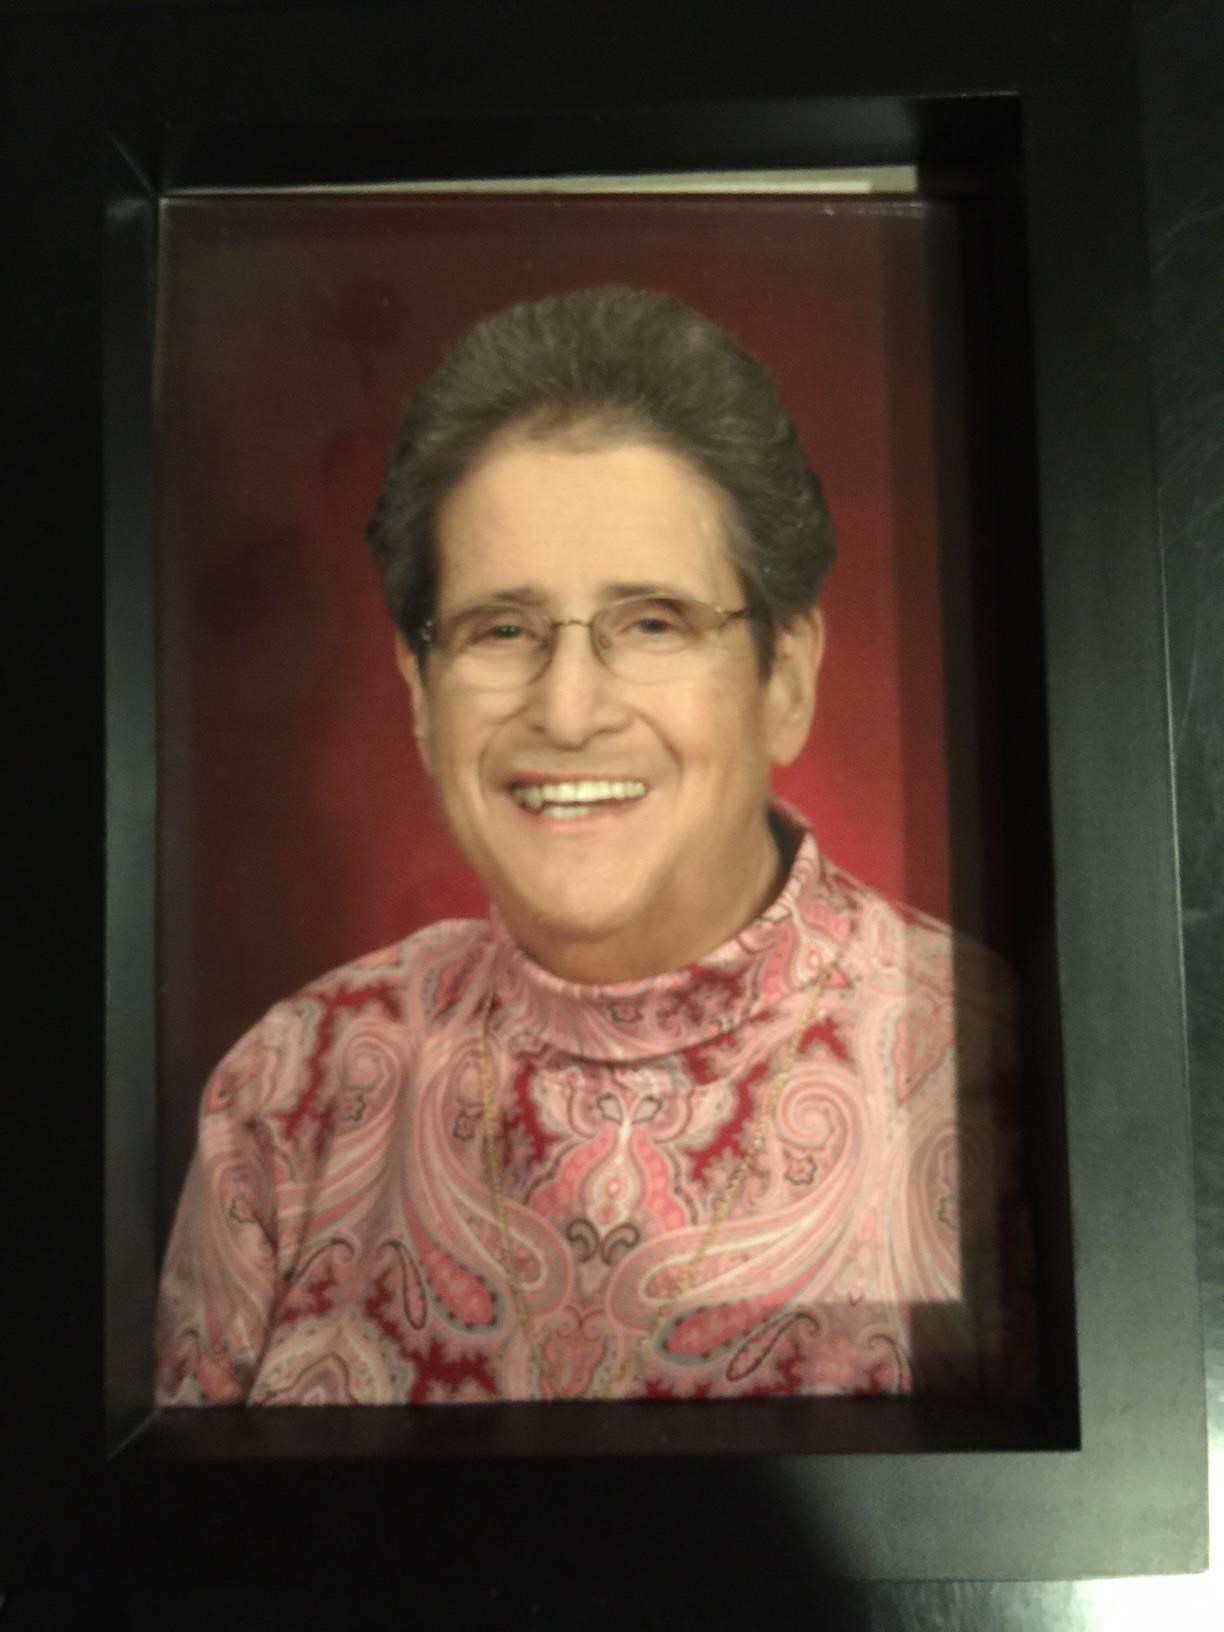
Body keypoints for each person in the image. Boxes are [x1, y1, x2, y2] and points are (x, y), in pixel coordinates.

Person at [155, 285, 1030, 1406]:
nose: (567, 711)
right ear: (420, 692)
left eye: (652, 623)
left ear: (786, 679)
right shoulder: (290, 1090)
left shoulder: (1001, 1080)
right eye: (501, 628)